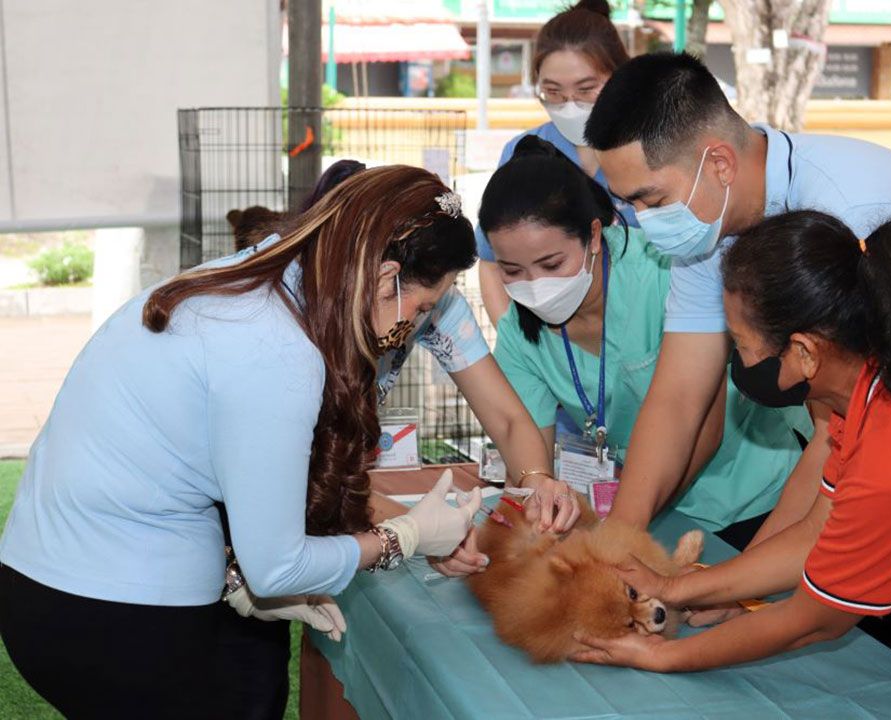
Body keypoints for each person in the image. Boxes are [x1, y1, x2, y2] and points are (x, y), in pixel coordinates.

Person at [581, 51, 891, 705]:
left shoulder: (851, 227)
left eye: (648, 198)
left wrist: (687, 643)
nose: (640, 221)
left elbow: (819, 600)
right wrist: (634, 560)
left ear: (716, 163)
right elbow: (682, 401)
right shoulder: (712, 229)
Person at [0, 166, 574, 717]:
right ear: (383, 279)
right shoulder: (277, 350)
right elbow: (277, 566)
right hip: (114, 610)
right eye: (422, 306)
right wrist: (408, 535)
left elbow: (188, 472)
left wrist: (240, 577)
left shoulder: (265, 281)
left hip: (53, 577)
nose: (423, 322)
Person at [479, 137, 811, 547]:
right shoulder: (520, 331)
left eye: (551, 264)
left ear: (594, 236)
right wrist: (539, 487)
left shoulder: (667, 273)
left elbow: (701, 424)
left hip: (756, 498)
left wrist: (624, 525)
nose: (535, 286)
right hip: (647, 512)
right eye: (512, 271)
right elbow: (525, 437)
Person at [474, 0, 634, 326]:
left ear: (620, 77)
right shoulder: (525, 152)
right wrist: (517, 343)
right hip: (553, 346)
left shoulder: (650, 149)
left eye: (586, 89)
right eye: (553, 92)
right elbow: (491, 260)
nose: (570, 105)